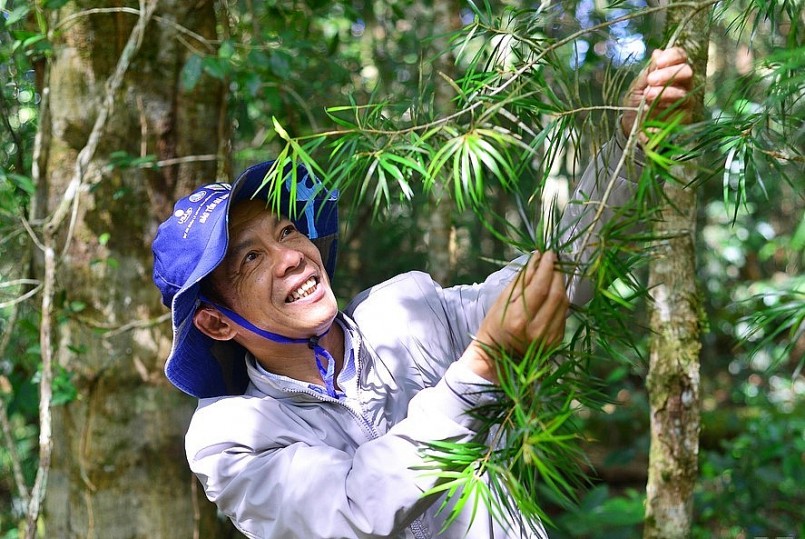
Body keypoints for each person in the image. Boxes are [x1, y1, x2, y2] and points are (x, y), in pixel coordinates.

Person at [151, 48, 693, 539]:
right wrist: (483, 367)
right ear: (217, 323)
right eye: (251, 258)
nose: (291, 255)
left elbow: (550, 280)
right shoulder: (229, 438)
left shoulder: (405, 310)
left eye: (288, 231)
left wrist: (628, 147)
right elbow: (351, 511)